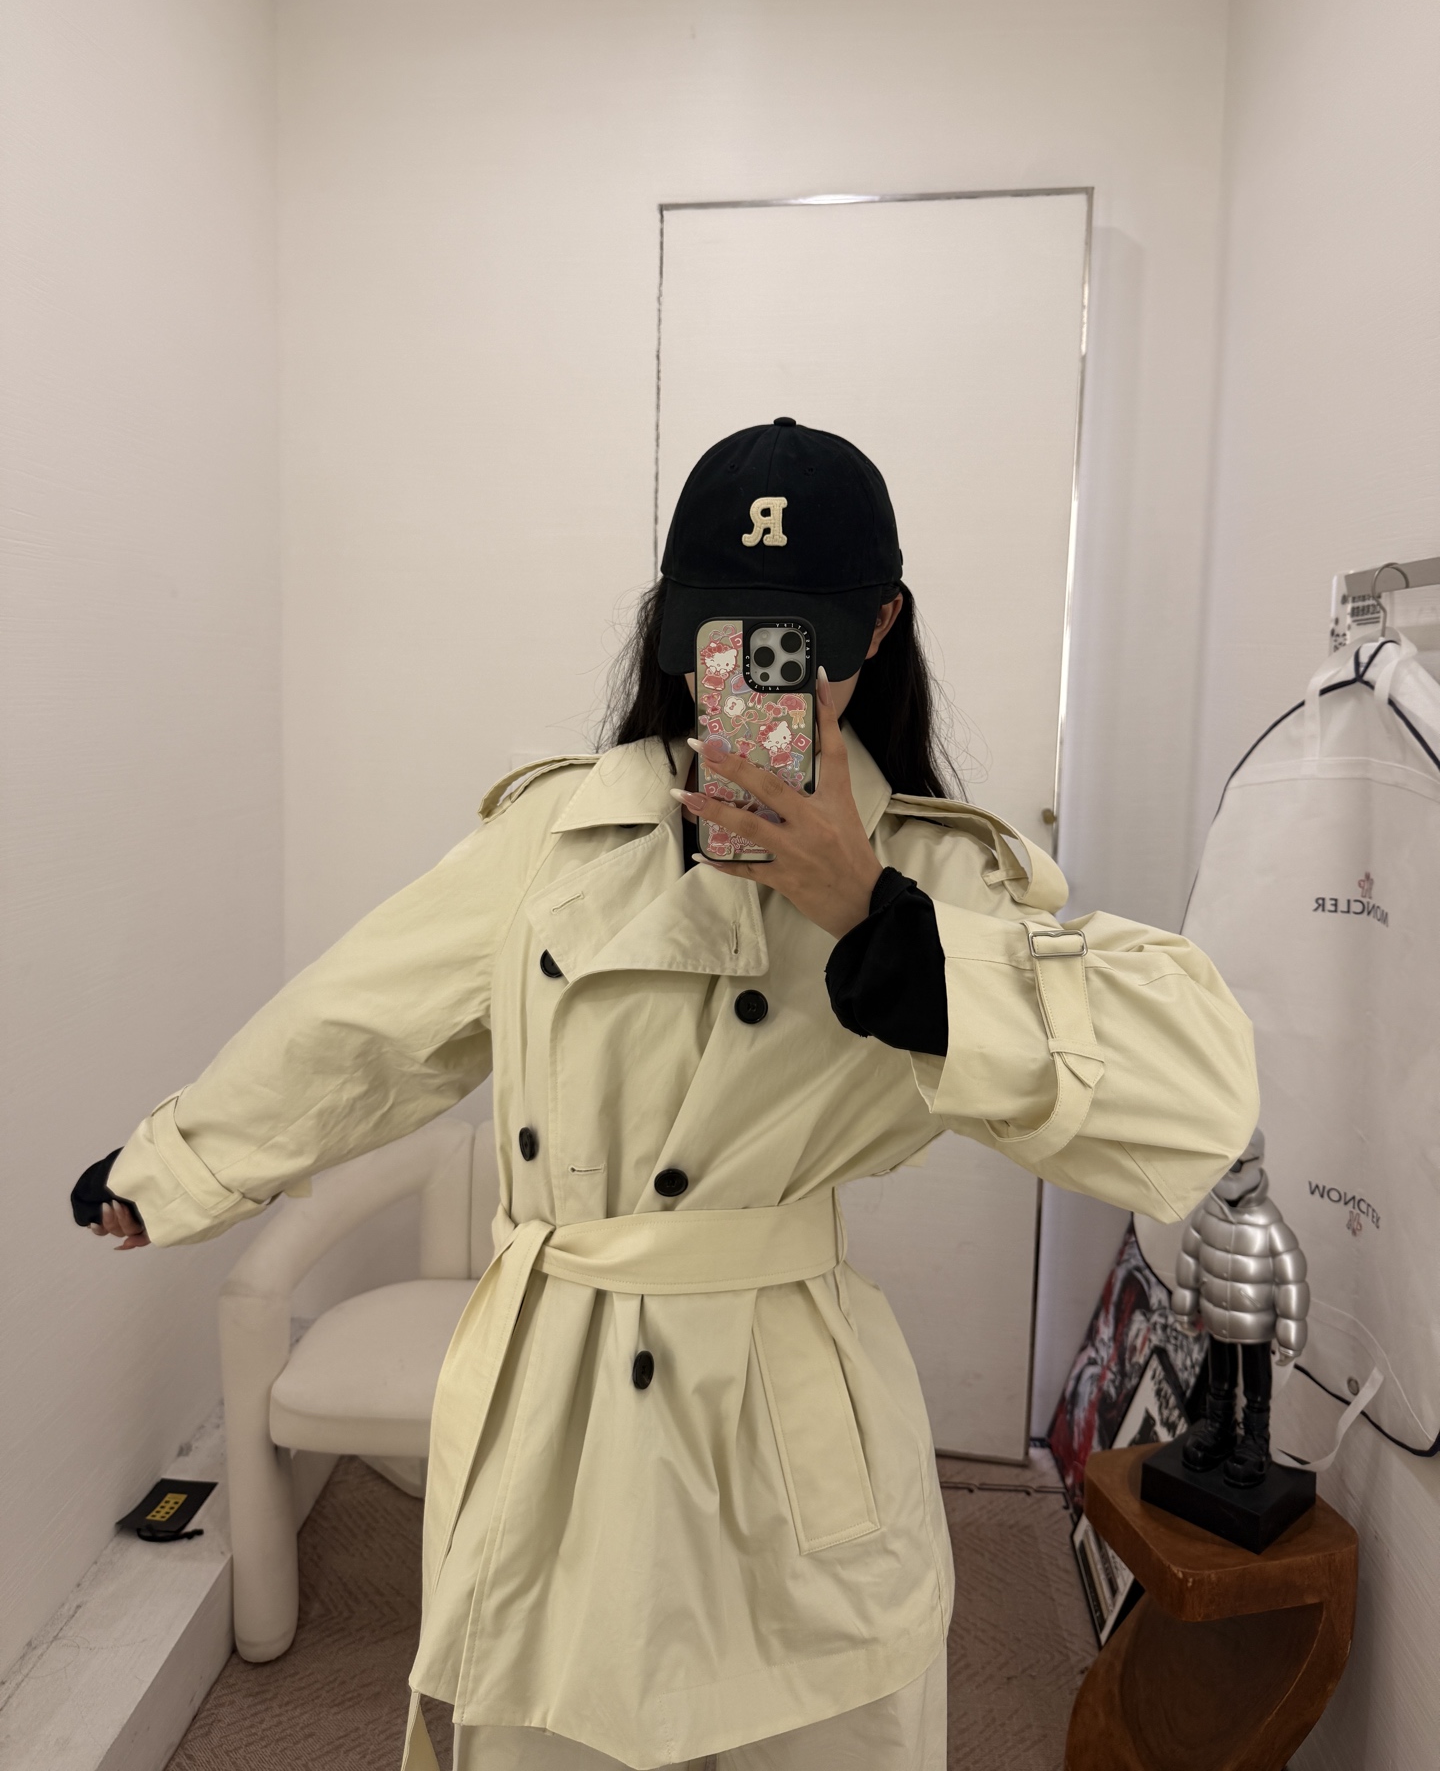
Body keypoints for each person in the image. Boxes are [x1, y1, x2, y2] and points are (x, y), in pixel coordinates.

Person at [75, 419, 1259, 1771]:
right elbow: (366, 1018)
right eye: (718, 635)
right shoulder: (554, 834)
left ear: (877, 628)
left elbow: (1194, 1091)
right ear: (671, 628)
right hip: (565, 1398)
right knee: (557, 1721)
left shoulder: (940, 874)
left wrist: (876, 921)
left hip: (785, 1413)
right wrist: (181, 1162)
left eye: (797, 639)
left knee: (810, 1722)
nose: (749, 674)